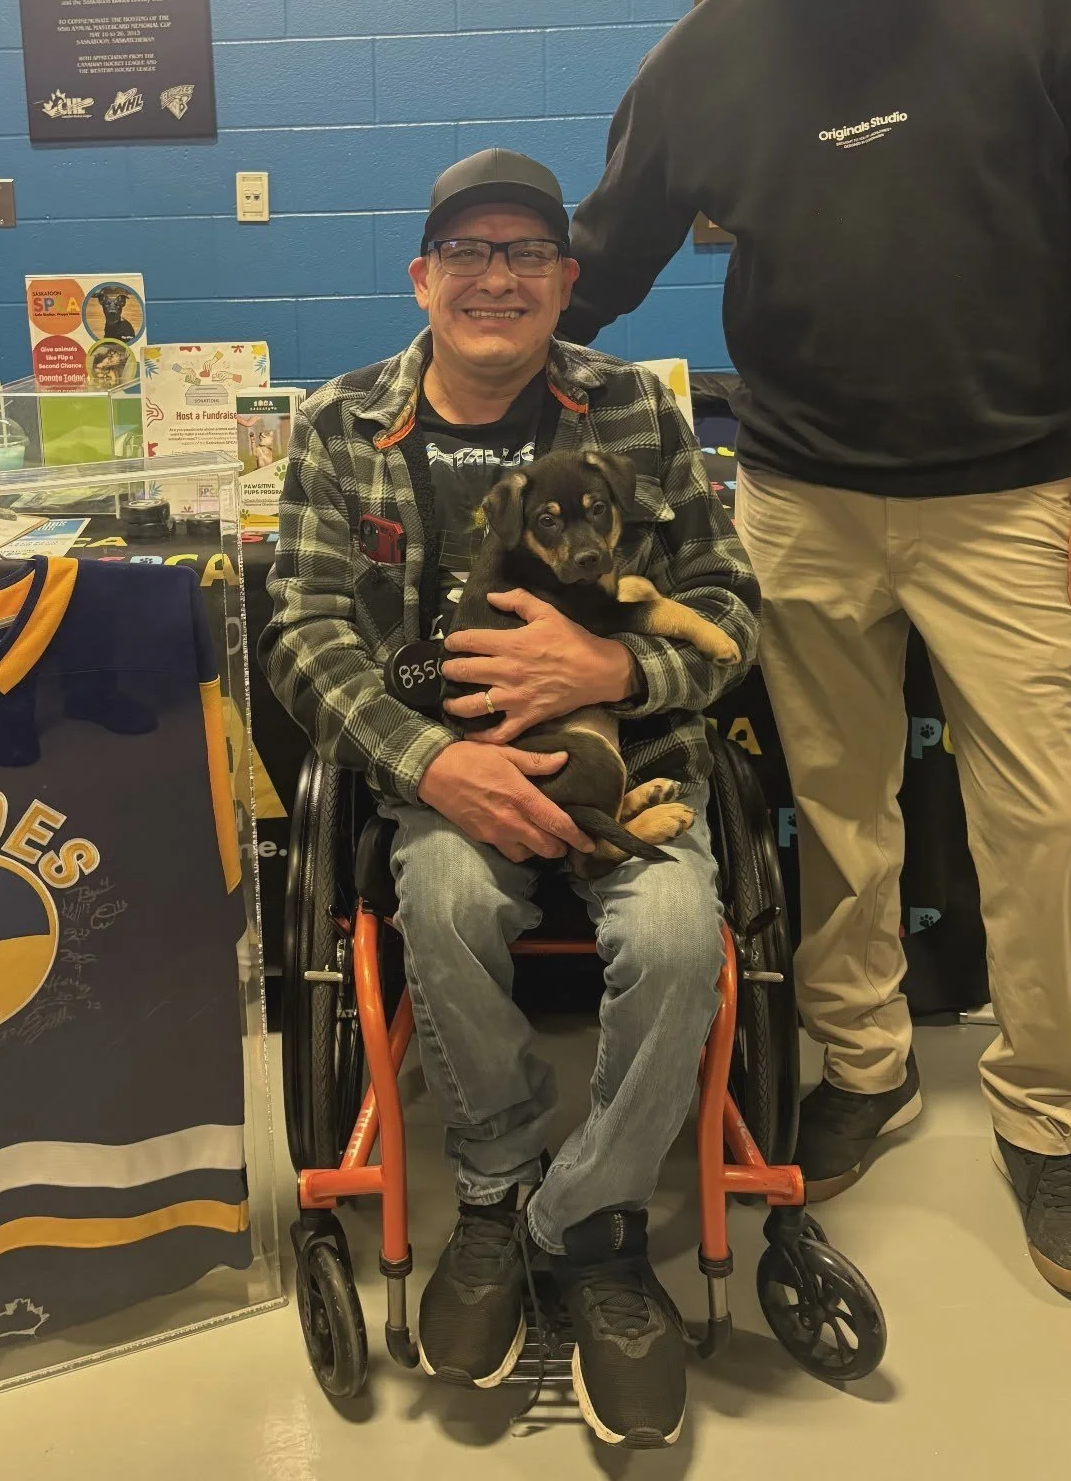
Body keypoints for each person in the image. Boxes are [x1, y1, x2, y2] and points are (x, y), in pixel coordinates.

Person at [559, 0, 1071, 1301]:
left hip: (1011, 498)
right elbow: (597, 271)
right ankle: (868, 1067)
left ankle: (1044, 1125)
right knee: (839, 817)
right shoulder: (700, 61)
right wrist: (459, 365)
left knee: (1038, 820)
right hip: (799, 499)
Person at [261, 147, 758, 1447]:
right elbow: (303, 635)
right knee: (440, 889)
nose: (497, 278)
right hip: (450, 776)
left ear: (568, 280)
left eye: (526, 253)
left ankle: (578, 1222)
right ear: (423, 279)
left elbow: (728, 615)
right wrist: (429, 765)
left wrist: (620, 665)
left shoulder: (640, 415)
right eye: (469, 255)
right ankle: (491, 1182)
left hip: (632, 768)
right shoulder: (339, 423)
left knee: (672, 936)